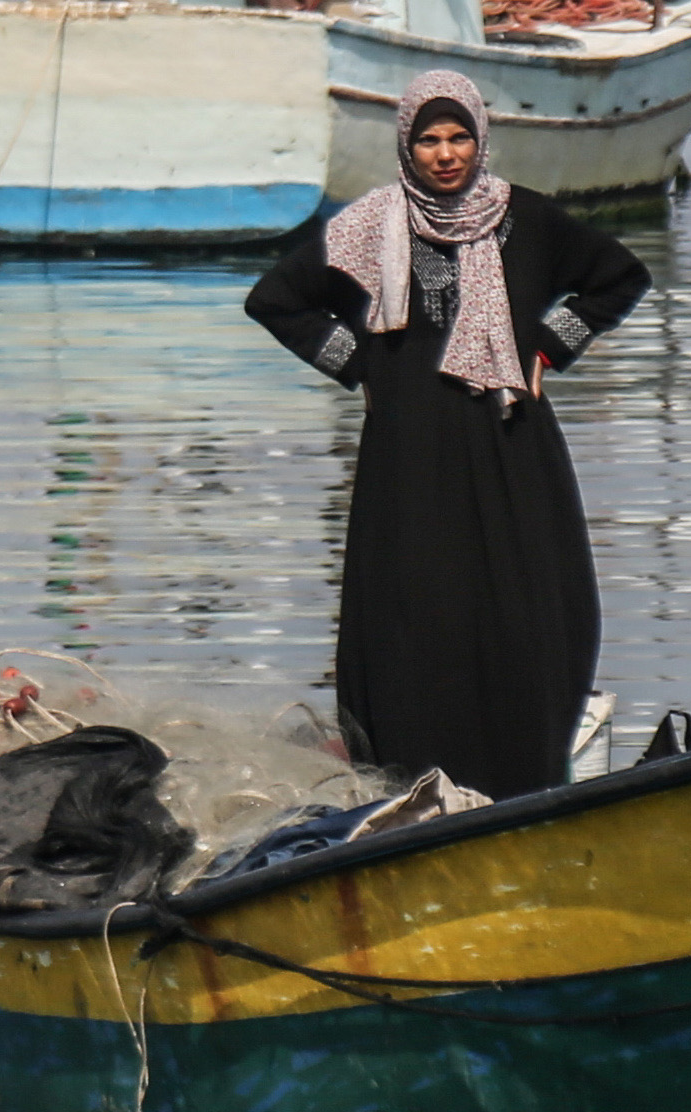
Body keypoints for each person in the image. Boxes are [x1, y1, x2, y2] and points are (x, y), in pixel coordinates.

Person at [244, 73, 650, 799]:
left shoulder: (525, 221)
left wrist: (549, 349)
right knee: (415, 608)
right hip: (409, 452)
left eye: (458, 136)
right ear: (406, 144)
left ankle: (526, 770)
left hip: (509, 443)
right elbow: (276, 299)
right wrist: (359, 364)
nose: (445, 154)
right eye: (428, 140)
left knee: (526, 606)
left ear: (479, 138)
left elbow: (618, 277)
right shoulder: (368, 227)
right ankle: (412, 777)